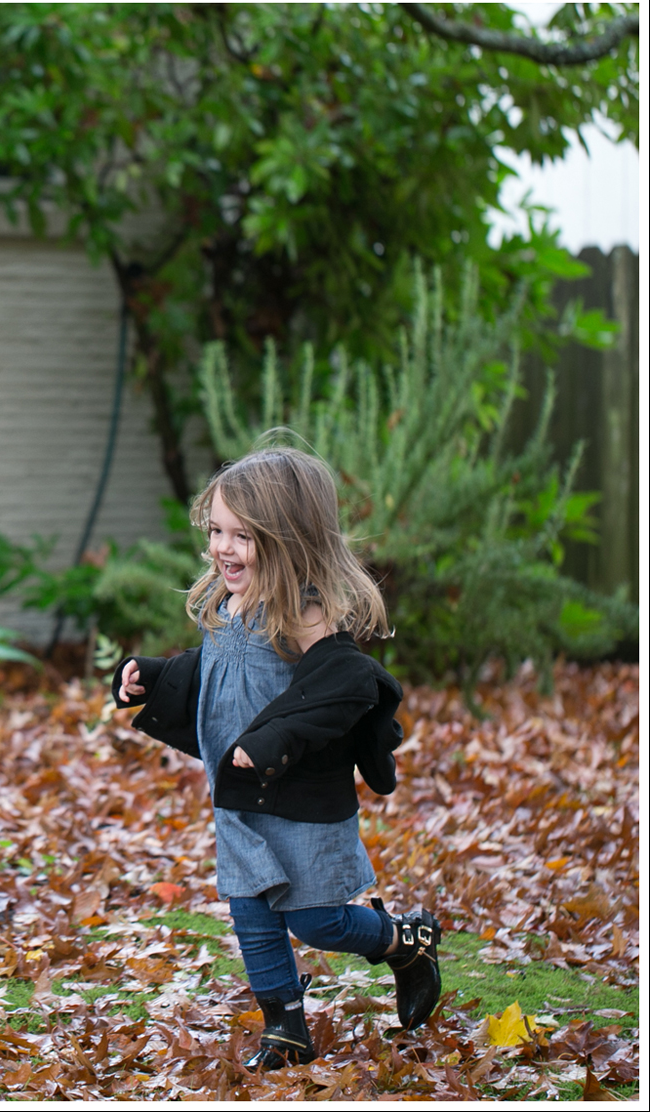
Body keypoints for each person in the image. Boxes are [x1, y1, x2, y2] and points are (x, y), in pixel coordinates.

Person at [113, 446, 440, 1070]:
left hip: (298, 793)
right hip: (239, 791)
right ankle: (285, 1027)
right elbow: (216, 669)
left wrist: (272, 740)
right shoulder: (225, 602)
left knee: (316, 920)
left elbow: (344, 683)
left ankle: (405, 940)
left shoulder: (303, 612)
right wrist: (150, 677)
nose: (223, 548)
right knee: (250, 910)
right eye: (216, 531)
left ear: (286, 537)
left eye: (243, 536)